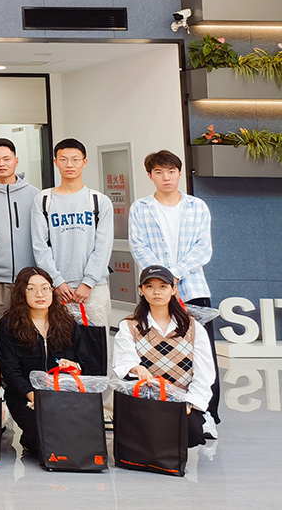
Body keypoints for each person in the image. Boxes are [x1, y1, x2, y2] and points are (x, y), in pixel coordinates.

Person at [128, 149, 219, 427]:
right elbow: (138, 246)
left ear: (179, 173)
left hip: (192, 289)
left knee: (201, 353)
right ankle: (160, 408)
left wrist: (174, 275)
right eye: (159, 172)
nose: (166, 177)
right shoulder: (140, 208)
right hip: (154, 293)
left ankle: (206, 413)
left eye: (171, 171)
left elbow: (203, 248)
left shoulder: (197, 207)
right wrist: (163, 281)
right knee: (156, 350)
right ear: (150, 176)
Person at [0, 266, 103, 457]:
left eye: (45, 288)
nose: (40, 294)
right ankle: (31, 440)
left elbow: (87, 364)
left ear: (52, 291)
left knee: (74, 439)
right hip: (26, 396)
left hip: (64, 394)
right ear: (21, 292)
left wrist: (75, 367)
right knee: (44, 437)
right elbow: (10, 370)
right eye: (32, 289)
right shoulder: (9, 325)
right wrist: (32, 395)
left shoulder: (67, 323)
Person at [113, 265, 215, 447]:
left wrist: (190, 404)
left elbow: (204, 373)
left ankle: (200, 418)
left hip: (181, 400)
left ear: (173, 289)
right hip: (146, 400)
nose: (156, 292)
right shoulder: (129, 326)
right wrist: (136, 368)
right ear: (141, 290)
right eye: (149, 286)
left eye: (163, 286)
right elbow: (124, 361)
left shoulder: (193, 327)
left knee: (192, 433)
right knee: (143, 438)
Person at [29, 139, 115, 336]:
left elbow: (103, 246)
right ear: (55, 162)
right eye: (63, 159)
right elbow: (40, 246)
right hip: (56, 288)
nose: (69, 165)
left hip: (94, 288)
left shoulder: (99, 201)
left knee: (97, 344)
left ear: (84, 162)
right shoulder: (43, 200)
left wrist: (88, 282)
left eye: (75, 159)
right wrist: (57, 282)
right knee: (60, 342)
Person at [0, 138, 39, 316]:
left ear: (16, 161)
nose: (1, 164)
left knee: (30, 327)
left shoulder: (36, 195)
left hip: (29, 279)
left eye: (6, 159)